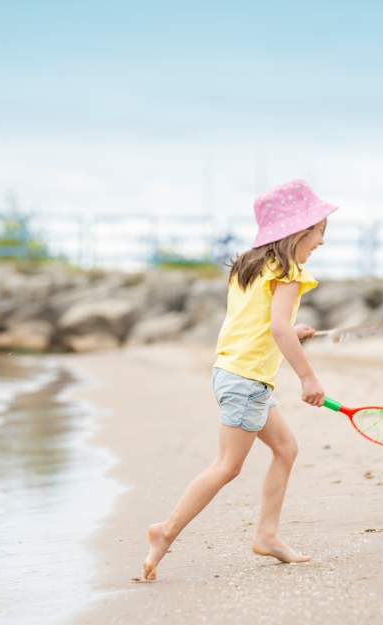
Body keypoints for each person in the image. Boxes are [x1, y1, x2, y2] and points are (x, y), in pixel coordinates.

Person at [142, 179, 339, 581]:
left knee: (285, 448)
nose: (320, 242)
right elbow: (277, 329)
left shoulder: (249, 265)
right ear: (300, 232)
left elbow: (261, 323)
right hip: (247, 380)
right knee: (227, 466)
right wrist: (308, 378)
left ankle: (267, 535)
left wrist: (290, 330)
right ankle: (166, 531)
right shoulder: (289, 272)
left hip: (232, 372)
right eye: (319, 233)